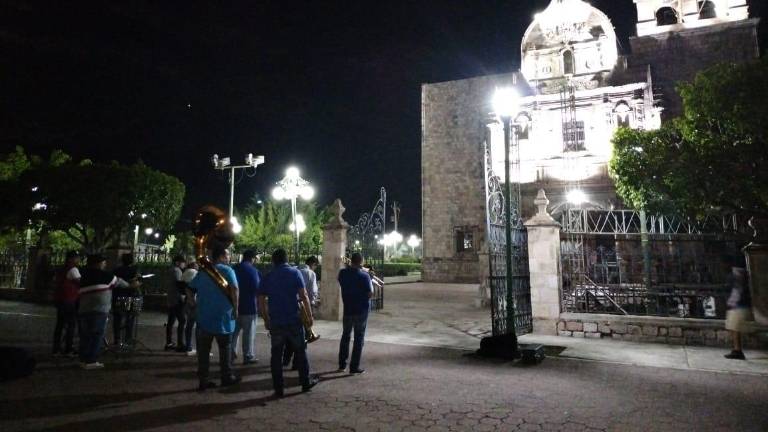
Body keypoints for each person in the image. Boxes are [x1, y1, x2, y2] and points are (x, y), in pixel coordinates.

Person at [257, 248, 318, 397]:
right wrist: (309, 316)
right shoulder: (295, 273)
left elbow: (261, 300)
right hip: (294, 320)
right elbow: (303, 296)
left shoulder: (268, 276)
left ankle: (279, 388)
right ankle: (305, 382)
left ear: (273, 261)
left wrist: (266, 318)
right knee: (300, 352)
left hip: (276, 321)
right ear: (286, 259)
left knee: (276, 355)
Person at [189, 247, 240, 391]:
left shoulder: (204, 271)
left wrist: (192, 303)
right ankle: (226, 377)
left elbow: (189, 288)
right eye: (228, 254)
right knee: (225, 349)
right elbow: (235, 289)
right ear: (222, 256)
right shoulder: (228, 271)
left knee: (203, 352)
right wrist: (236, 308)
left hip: (204, 317)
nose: (229, 257)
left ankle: (203, 380)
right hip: (224, 318)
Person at [77, 254, 117, 369]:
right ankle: (91, 360)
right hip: (99, 310)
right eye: (103, 262)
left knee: (85, 335)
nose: (105, 264)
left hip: (83, 309)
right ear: (98, 263)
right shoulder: (106, 276)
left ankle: (83, 359)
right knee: (97, 335)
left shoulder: (83, 275)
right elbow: (119, 283)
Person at [338, 252, 373, 374]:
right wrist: (370, 277)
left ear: (351, 261)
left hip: (348, 309)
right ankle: (354, 366)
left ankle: (342, 364)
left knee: (345, 336)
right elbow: (370, 294)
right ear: (361, 262)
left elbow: (344, 282)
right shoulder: (364, 276)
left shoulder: (342, 273)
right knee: (359, 338)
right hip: (361, 310)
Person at [232, 250, 261, 365]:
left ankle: (231, 354)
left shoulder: (233, 268)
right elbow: (258, 288)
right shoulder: (254, 271)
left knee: (234, 333)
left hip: (234, 306)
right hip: (249, 306)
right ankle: (248, 356)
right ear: (252, 258)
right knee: (248, 334)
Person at [52, 250, 81, 357]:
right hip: (69, 299)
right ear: (71, 259)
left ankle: (56, 349)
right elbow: (80, 282)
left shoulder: (61, 269)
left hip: (59, 299)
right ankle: (68, 349)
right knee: (71, 325)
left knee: (59, 324)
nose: (78, 260)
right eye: (76, 258)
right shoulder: (73, 269)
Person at [724, 254, 753, 360]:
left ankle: (737, 350)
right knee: (733, 328)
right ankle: (737, 349)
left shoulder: (737, 274)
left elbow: (737, 289)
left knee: (735, 328)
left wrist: (731, 302)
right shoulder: (739, 273)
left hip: (738, 305)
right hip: (737, 304)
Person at [112, 253, 141, 346]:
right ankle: (128, 339)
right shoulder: (134, 270)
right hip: (130, 296)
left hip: (119, 295)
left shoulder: (116, 270)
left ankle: (117, 339)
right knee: (130, 318)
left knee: (118, 318)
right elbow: (137, 282)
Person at [165, 255, 187, 351]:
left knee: (171, 321)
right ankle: (180, 343)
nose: (184, 264)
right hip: (177, 299)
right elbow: (180, 284)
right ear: (178, 262)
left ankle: (169, 342)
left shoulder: (170, 270)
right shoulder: (177, 270)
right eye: (183, 262)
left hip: (170, 298)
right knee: (182, 320)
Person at [182, 261, 199, 356]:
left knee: (189, 324)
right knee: (199, 325)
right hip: (195, 301)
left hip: (187, 301)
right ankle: (200, 348)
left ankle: (188, 346)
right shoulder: (195, 273)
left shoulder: (185, 273)